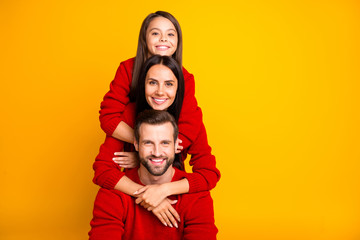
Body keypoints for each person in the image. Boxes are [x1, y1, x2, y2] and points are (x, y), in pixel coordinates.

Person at [95, 11, 220, 224]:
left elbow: (209, 172)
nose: (160, 91)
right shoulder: (128, 104)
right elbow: (107, 120)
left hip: (173, 190)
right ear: (143, 82)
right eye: (152, 82)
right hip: (132, 196)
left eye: (169, 84)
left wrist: (160, 159)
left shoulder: (189, 104)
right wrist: (143, 147)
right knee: (108, 194)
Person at [89, 110, 218, 240]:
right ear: (136, 145)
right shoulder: (113, 194)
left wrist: (163, 191)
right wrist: (144, 195)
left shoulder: (197, 196)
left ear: (176, 146)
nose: (157, 152)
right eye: (148, 143)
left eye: (165, 143)